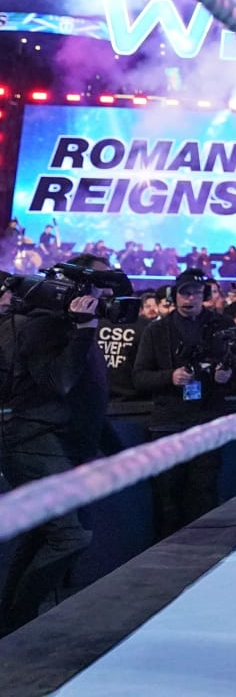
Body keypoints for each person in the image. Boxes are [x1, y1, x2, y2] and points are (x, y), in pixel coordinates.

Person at [0, 259, 109, 633]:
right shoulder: (42, 325)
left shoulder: (67, 326)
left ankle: (12, 624)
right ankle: (17, 621)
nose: (102, 295)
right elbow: (59, 383)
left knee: (42, 534)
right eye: (97, 285)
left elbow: (89, 395)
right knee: (68, 536)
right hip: (28, 438)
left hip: (57, 441)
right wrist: (83, 332)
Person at [132, 269, 236, 539]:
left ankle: (203, 551)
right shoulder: (156, 330)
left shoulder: (222, 326)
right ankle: (166, 551)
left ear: (205, 295)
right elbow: (139, 377)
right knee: (168, 497)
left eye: (196, 293)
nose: (190, 298)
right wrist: (170, 377)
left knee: (204, 492)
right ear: (174, 295)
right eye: (185, 293)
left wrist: (227, 376)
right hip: (169, 423)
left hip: (208, 422)